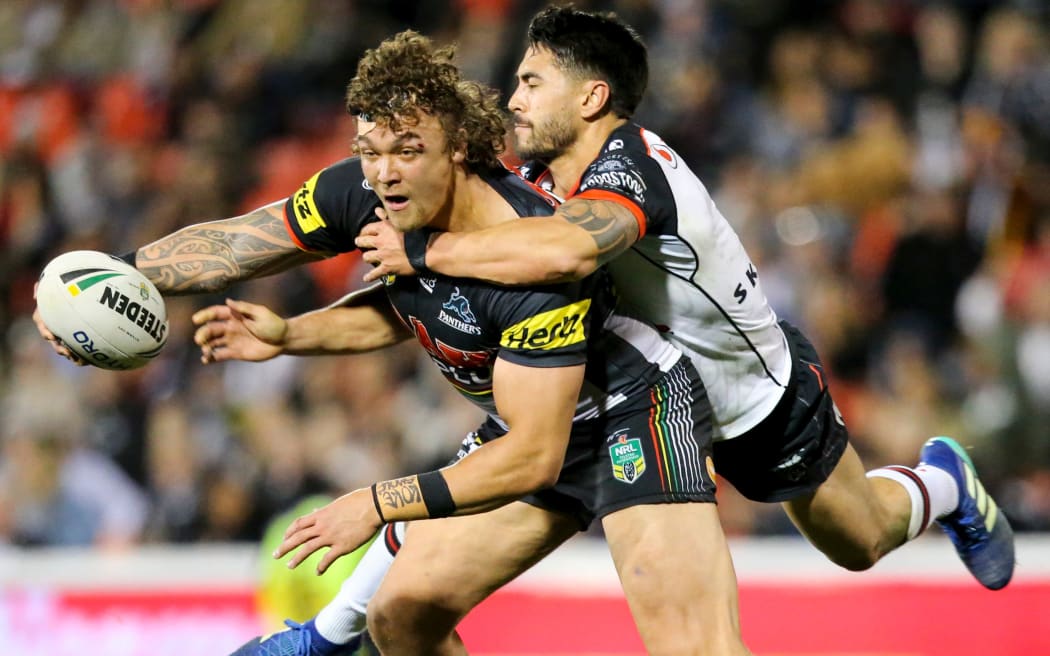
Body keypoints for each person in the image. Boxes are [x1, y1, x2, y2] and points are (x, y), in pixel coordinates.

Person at [37, 31, 747, 656]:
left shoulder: (528, 263)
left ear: (461, 148)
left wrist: (378, 502)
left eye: (409, 149)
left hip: (637, 416)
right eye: (371, 150)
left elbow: (533, 455)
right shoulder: (367, 198)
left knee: (695, 648)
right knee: (402, 617)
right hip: (535, 419)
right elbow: (242, 245)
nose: (385, 171)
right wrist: (113, 283)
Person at [356, 4, 1015, 589]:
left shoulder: (634, 164)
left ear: (591, 96)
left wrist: (422, 252)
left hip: (754, 399)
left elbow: (568, 250)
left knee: (860, 539)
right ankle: (339, 625)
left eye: (532, 82)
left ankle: (944, 482)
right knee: (453, 552)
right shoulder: (534, 173)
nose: (515, 98)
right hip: (646, 404)